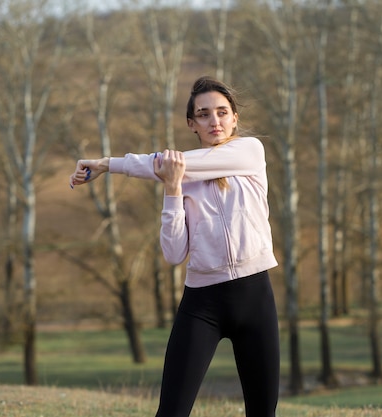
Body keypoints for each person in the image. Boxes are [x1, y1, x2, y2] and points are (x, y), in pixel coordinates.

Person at [69, 76, 280, 417]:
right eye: (204, 114)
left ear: (235, 118)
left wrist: (109, 164)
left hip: (254, 298)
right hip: (203, 305)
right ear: (191, 123)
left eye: (223, 113)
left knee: (263, 413)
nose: (215, 121)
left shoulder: (250, 152)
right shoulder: (180, 175)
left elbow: (173, 163)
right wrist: (172, 190)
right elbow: (173, 253)